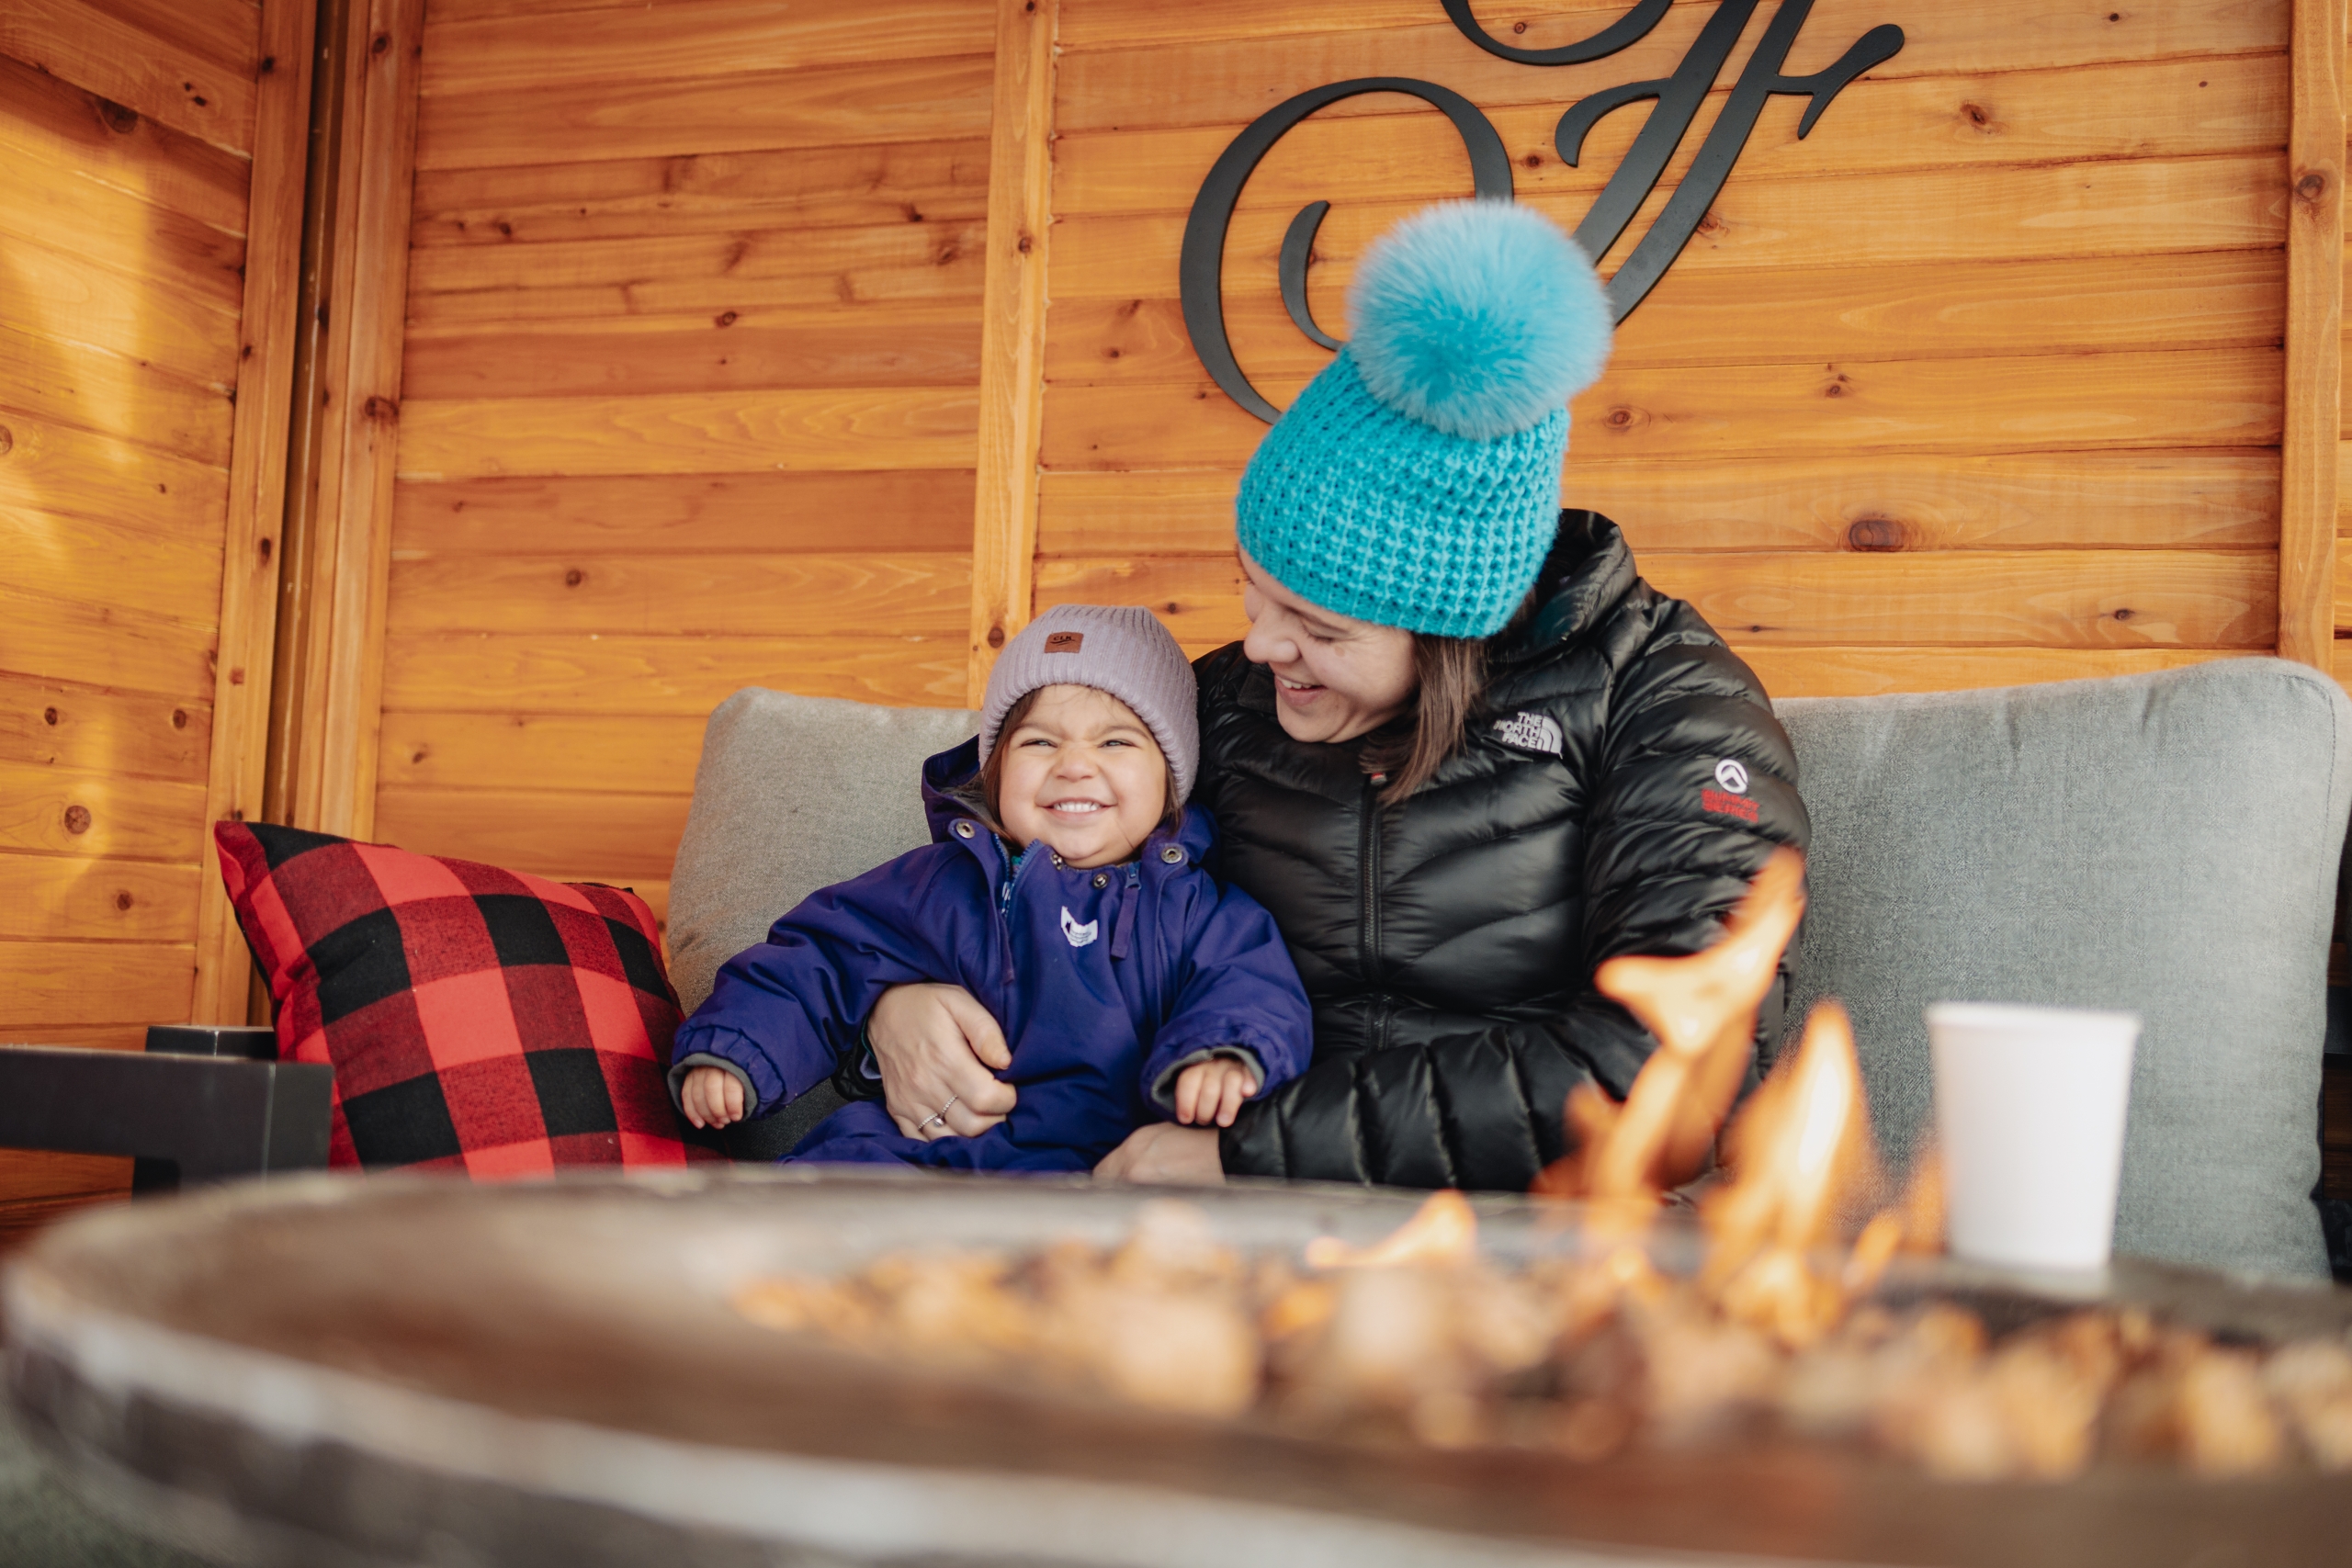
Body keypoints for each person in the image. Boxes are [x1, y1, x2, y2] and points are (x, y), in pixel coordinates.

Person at [850, 200, 1810, 1190]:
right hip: (1205, 1207)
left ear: (1450, 635)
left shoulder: (1659, 691)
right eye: (1252, 589)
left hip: (1522, 1219)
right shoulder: (1223, 703)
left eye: (1322, 629)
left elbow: (1684, 1060)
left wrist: (1252, 1154)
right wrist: (891, 1003)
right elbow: (1006, 880)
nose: (1261, 646)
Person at [668, 605, 1313, 1173]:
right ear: (994, 772)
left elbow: (1252, 990)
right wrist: (734, 1050)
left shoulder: (1195, 908)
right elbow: (815, 962)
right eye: (1039, 741)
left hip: (1098, 1167)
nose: (1075, 764)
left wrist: (1224, 1057)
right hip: (923, 1155)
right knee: (816, 1187)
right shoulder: (936, 883)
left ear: (1172, 781)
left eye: (1116, 741)